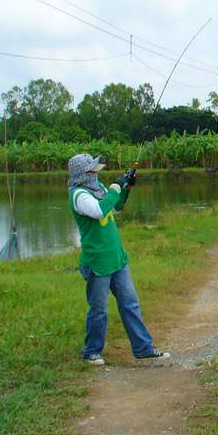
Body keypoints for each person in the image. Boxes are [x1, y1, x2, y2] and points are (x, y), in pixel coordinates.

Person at [67, 153, 170, 365]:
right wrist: (115, 186)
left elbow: (115, 207)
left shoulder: (100, 189)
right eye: (91, 169)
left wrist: (126, 187)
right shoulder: (79, 195)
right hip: (97, 262)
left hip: (116, 258)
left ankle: (143, 348)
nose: (96, 172)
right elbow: (99, 211)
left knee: (130, 303)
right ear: (82, 173)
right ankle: (91, 352)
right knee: (99, 309)